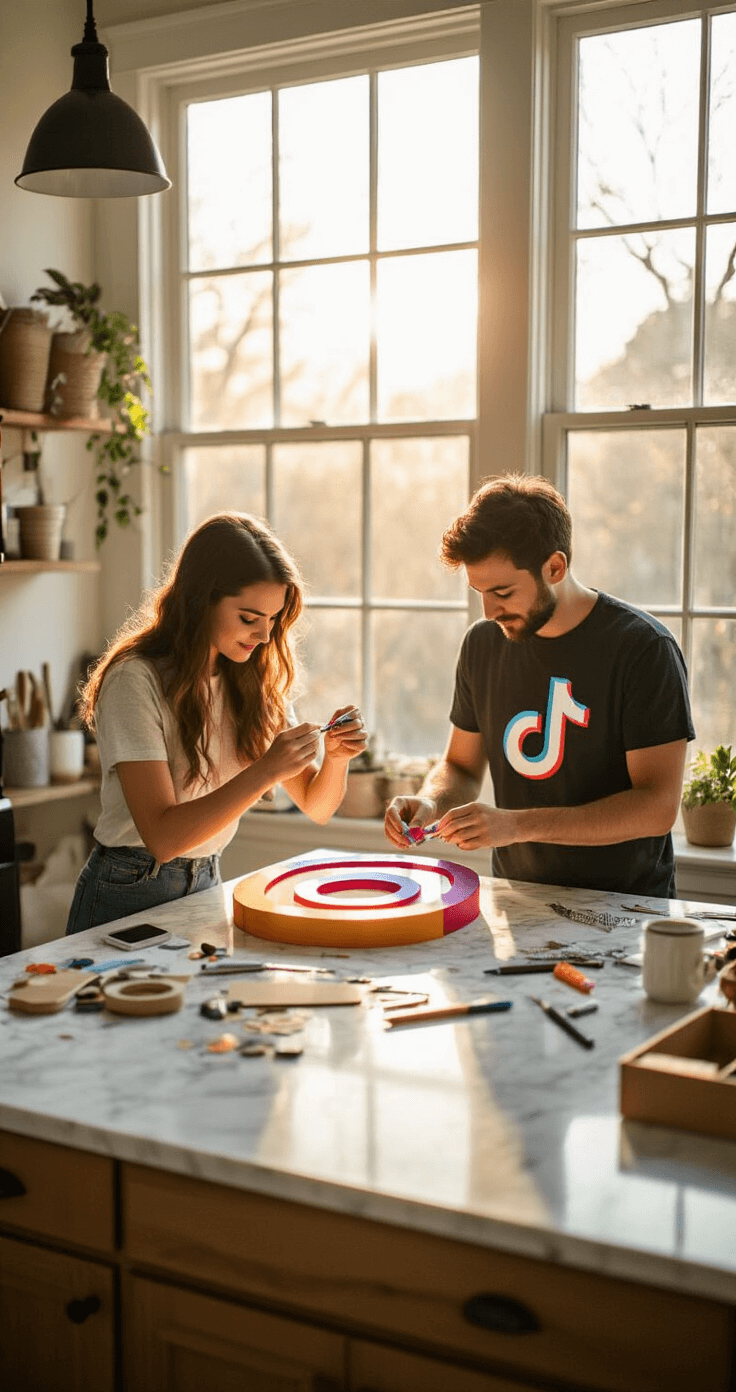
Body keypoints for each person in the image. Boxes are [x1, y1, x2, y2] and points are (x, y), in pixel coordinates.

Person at [385, 473, 695, 898]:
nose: (489, 610)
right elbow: (460, 767)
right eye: (479, 591)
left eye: (503, 591)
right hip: (517, 898)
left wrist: (515, 825)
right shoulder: (482, 644)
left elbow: (657, 807)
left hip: (626, 906)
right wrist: (431, 801)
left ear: (554, 567)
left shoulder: (643, 649)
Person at [66, 512, 366, 933]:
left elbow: (317, 806)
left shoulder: (253, 680)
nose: (264, 636)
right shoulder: (135, 679)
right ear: (201, 599)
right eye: (249, 618)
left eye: (273, 619)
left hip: (207, 880)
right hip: (129, 886)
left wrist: (336, 758)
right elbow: (163, 838)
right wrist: (265, 771)